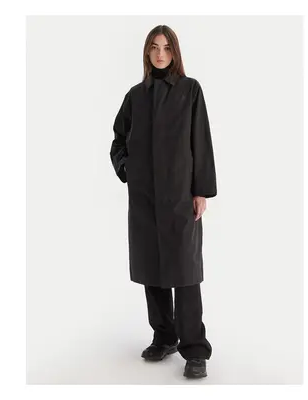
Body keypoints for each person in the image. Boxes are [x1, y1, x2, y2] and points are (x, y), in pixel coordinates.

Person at [110, 25, 217, 379]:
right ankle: (164, 336)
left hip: (179, 197)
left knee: (185, 272)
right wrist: (127, 169)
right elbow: (118, 140)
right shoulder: (135, 96)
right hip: (144, 198)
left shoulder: (190, 90)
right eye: (154, 47)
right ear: (147, 52)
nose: (160, 54)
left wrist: (201, 191)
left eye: (167, 47)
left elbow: (201, 141)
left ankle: (195, 349)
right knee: (152, 269)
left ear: (175, 52)